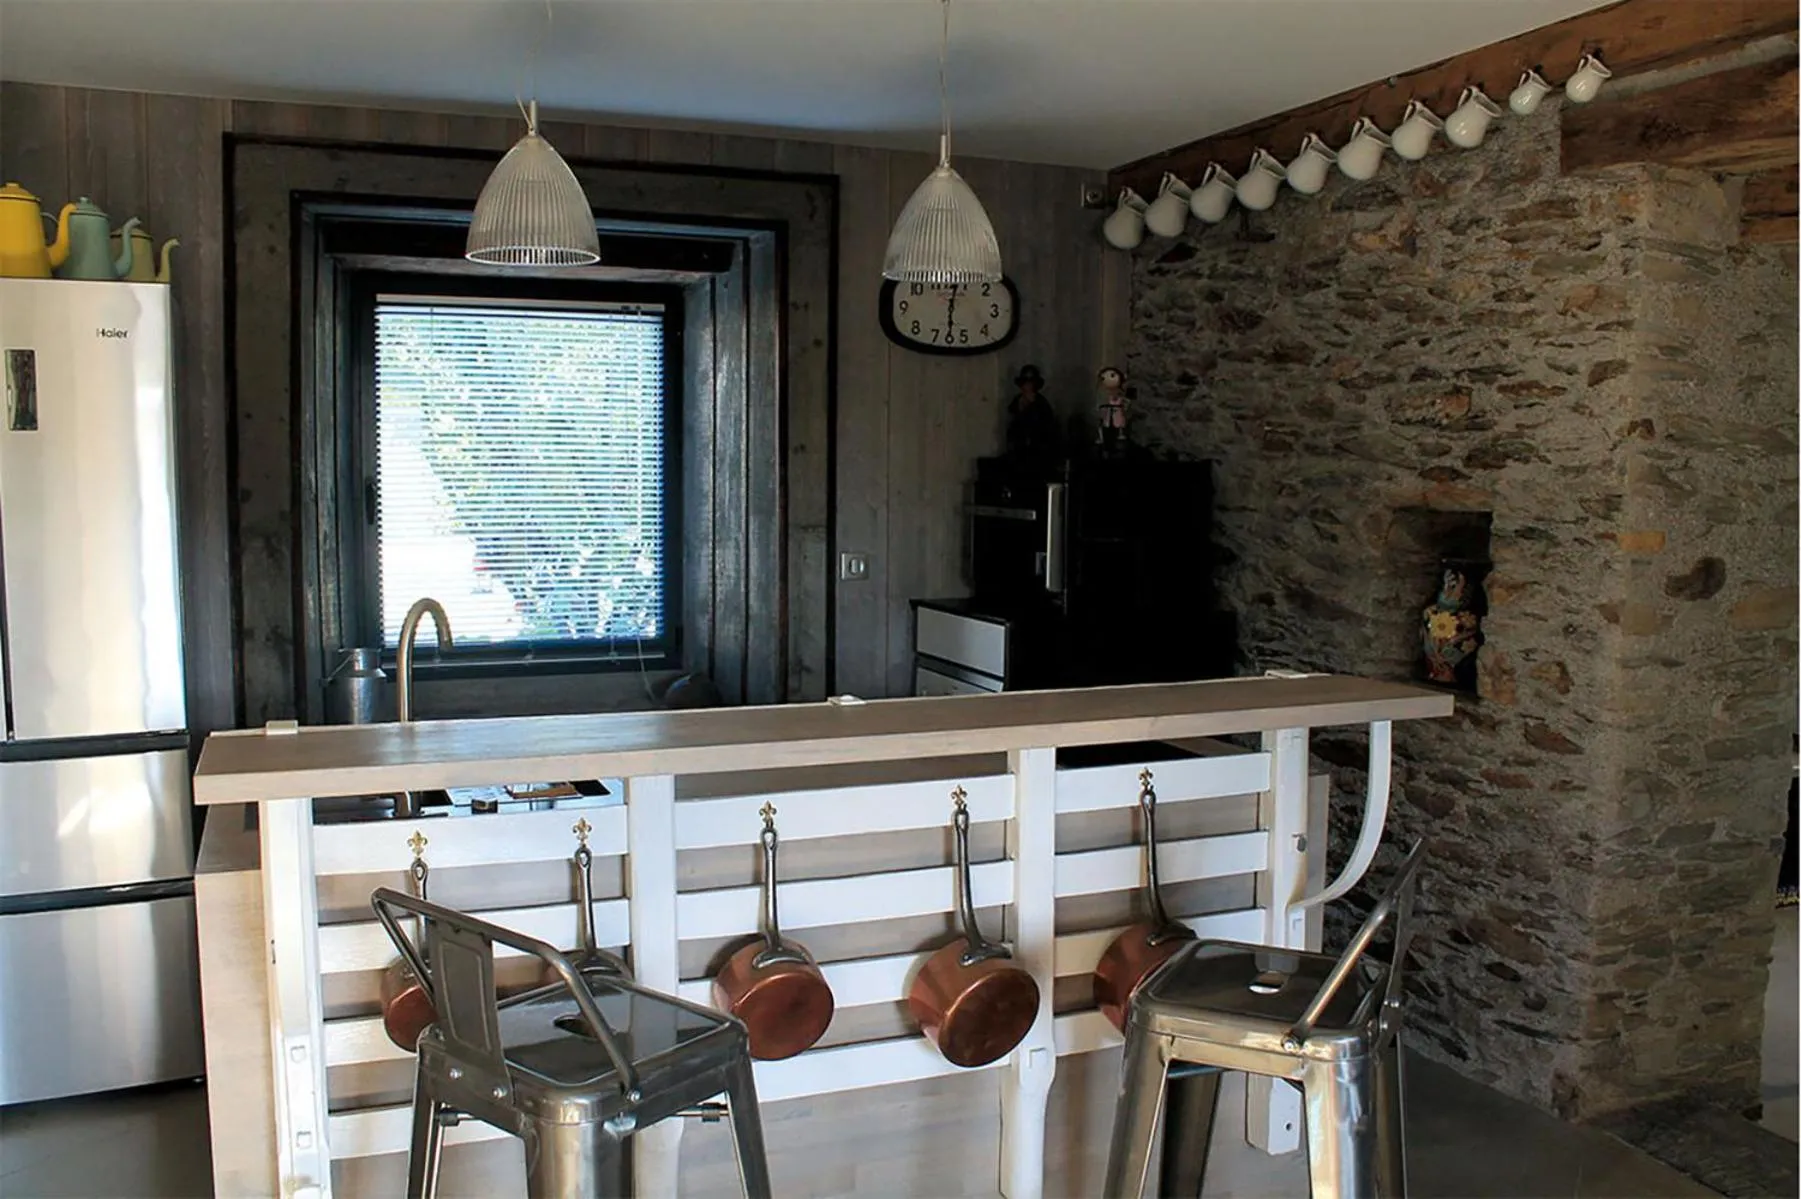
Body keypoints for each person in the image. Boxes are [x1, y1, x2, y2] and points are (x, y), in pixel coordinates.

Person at [1004, 363, 1061, 468]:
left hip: (1037, 455)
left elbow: (1047, 431)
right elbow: (1011, 427)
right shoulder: (1016, 403)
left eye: (1030, 383)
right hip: (1017, 454)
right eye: (1025, 383)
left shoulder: (1042, 405)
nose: (1028, 387)